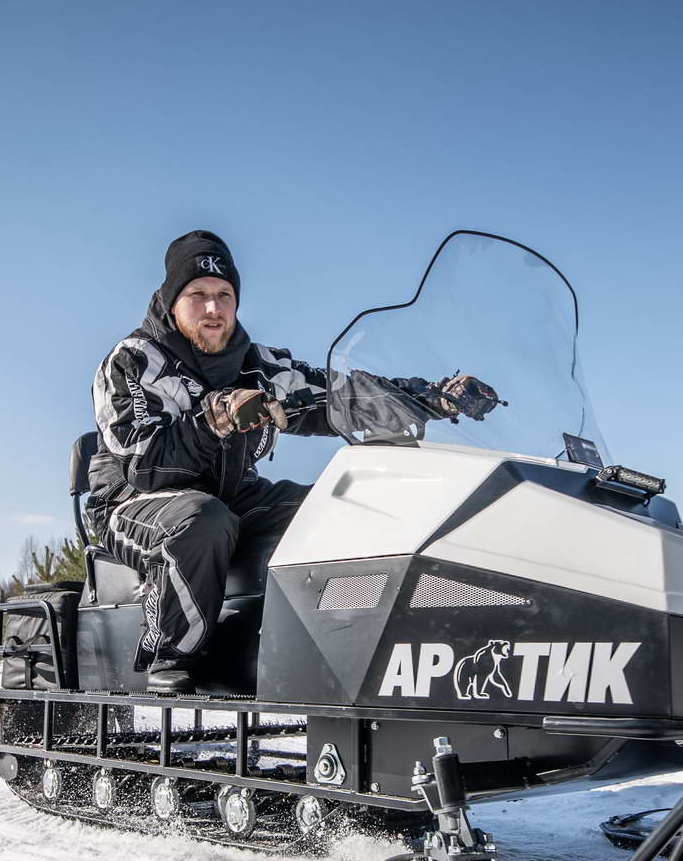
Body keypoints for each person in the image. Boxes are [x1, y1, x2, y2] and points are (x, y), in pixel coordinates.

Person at [88, 230, 497, 694]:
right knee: (201, 519)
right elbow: (146, 467)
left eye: (224, 296)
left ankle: (348, 646)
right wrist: (215, 418)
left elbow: (340, 396)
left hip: (230, 494)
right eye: (197, 295)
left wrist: (431, 397)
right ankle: (173, 649)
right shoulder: (132, 361)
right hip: (134, 502)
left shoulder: (257, 364)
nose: (212, 309)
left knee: (338, 506)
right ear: (171, 299)